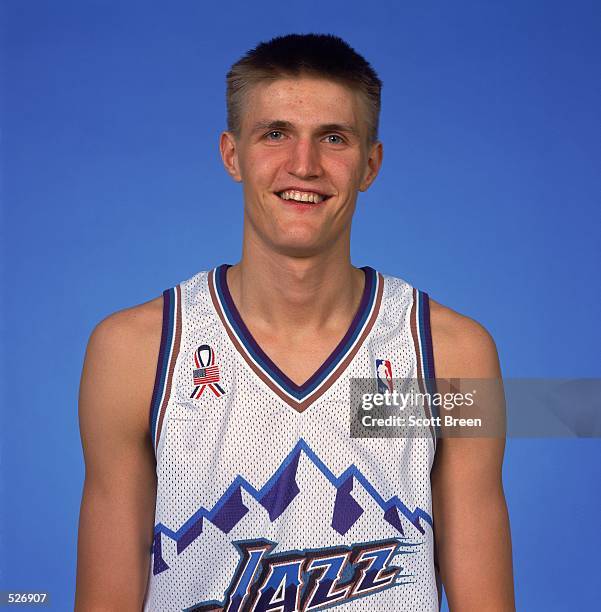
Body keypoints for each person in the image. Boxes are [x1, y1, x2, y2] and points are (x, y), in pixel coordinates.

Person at [75, 33, 515, 611]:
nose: (303, 165)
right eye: (275, 133)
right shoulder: (134, 352)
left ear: (370, 164)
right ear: (232, 155)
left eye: (333, 138)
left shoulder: (452, 356)